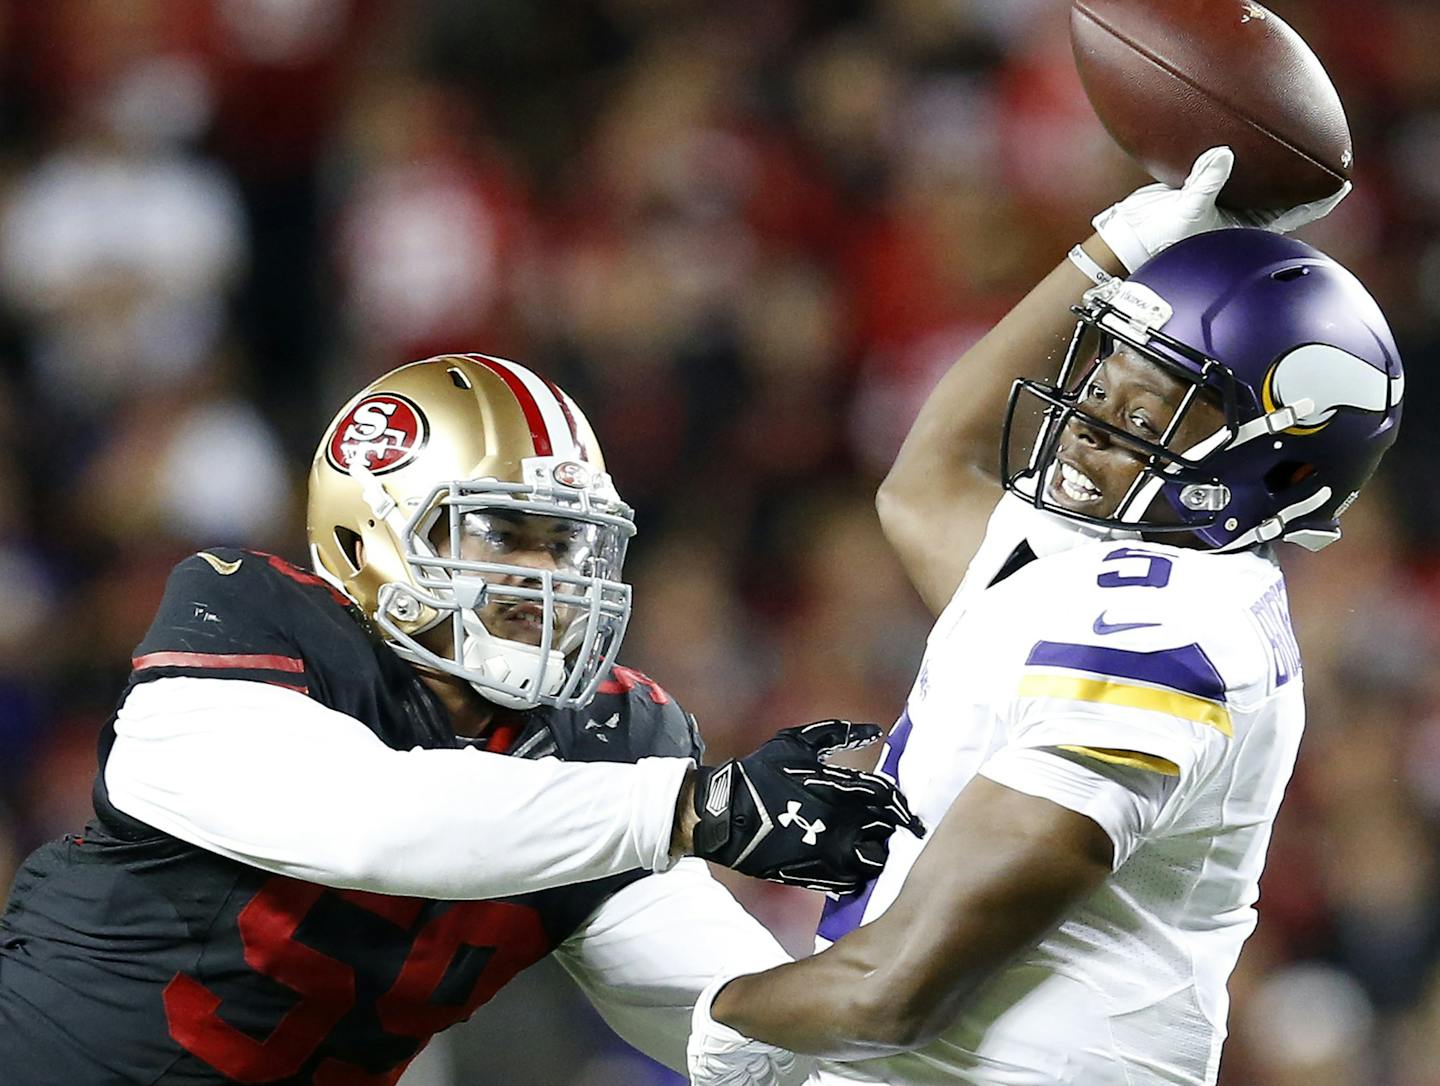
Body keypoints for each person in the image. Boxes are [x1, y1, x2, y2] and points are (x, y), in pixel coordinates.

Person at [687, 146, 1403, 1086]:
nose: (1081, 427)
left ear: (1274, 465)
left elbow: (891, 991)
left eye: (1141, 418)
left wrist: (731, 1020)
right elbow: (926, 483)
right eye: (1097, 385)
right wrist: (1113, 250)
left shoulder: (1163, 634)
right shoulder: (1110, 563)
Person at [0, 352, 918, 1085]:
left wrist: (928, 945)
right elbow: (364, 820)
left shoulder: (605, 741)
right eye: (505, 533)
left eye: (570, 543)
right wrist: (689, 812)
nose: (551, 579)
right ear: (369, 534)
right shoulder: (250, 621)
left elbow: (736, 1025)